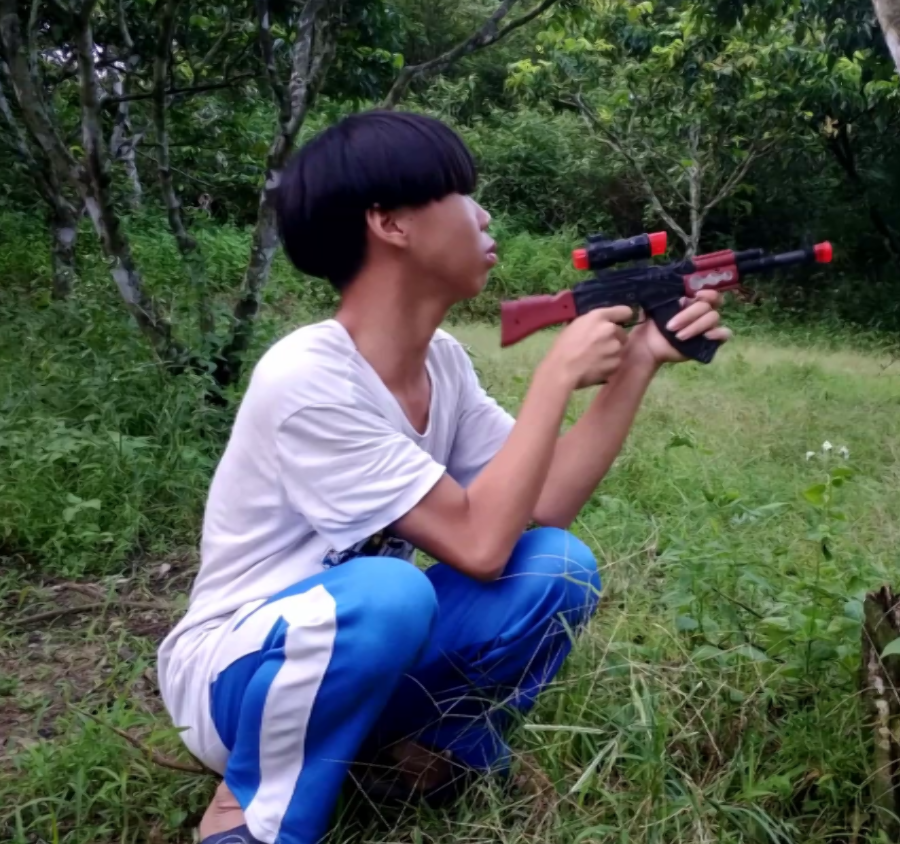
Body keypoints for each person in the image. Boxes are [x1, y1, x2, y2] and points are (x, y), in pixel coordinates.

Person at [154, 109, 732, 844]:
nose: (483, 215)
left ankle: (428, 759)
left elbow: (546, 504)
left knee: (559, 566)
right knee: (389, 592)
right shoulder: (309, 378)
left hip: (356, 655)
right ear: (390, 223)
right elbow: (479, 545)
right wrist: (554, 378)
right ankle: (252, 816)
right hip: (236, 681)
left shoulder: (443, 363)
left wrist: (640, 360)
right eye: (461, 195)